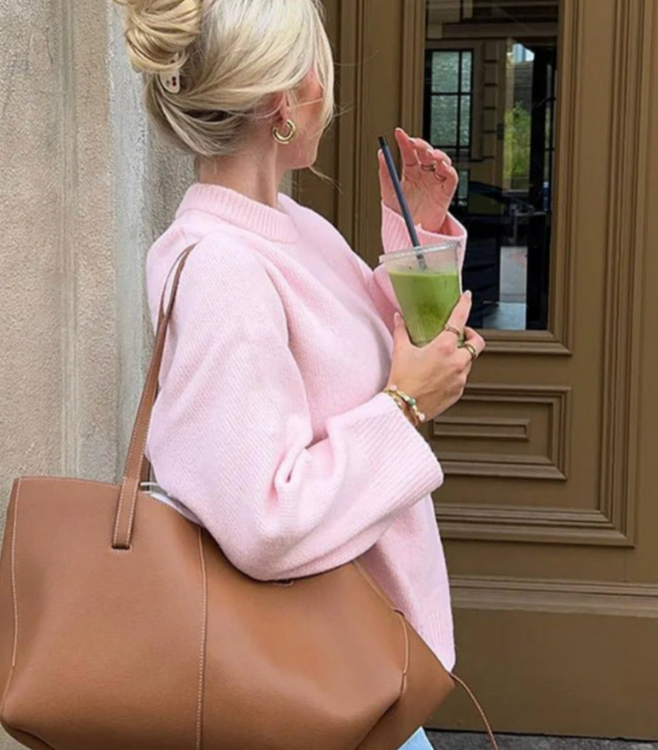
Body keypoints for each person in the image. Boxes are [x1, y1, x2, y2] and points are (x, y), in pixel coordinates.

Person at [116, 1, 486, 748]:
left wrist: (417, 231)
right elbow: (265, 521)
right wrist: (407, 404)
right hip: (317, 674)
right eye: (319, 65)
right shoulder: (222, 267)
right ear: (287, 103)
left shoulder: (294, 228)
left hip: (362, 650)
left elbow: (373, 354)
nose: (330, 86)